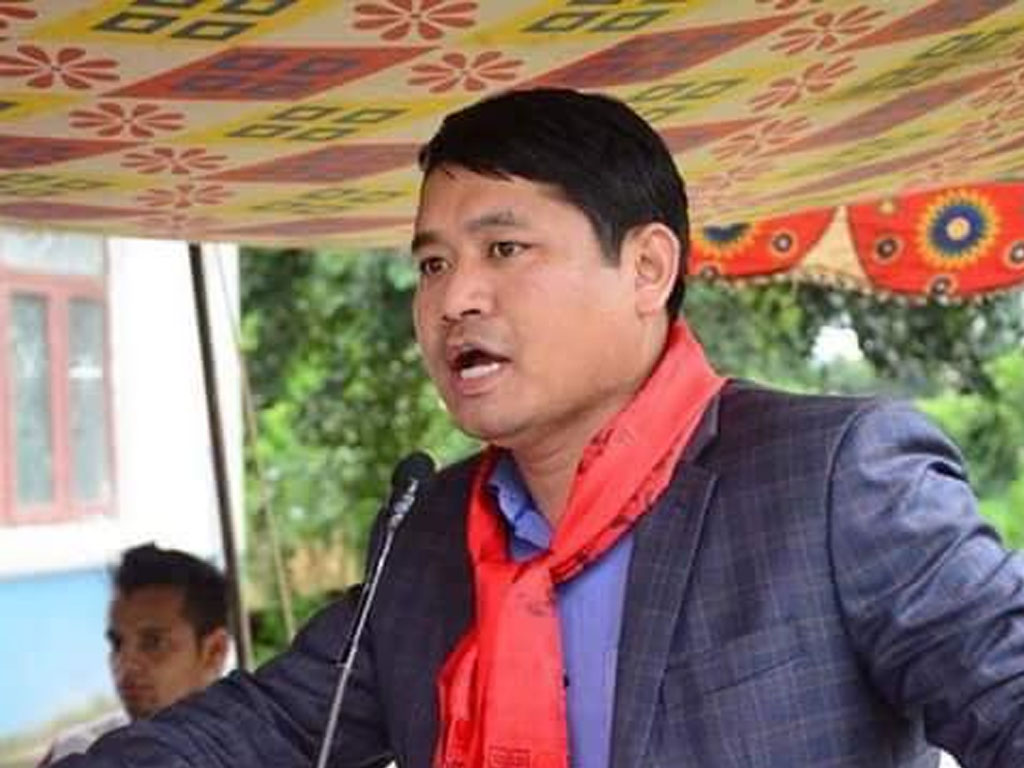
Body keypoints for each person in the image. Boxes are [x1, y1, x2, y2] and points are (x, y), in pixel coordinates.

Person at [56, 88, 1024, 768]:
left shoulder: (831, 476)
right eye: (432, 264)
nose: (453, 299)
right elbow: (264, 727)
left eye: (504, 248)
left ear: (647, 269)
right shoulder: (430, 536)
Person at [41, 544, 229, 764]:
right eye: (117, 643)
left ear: (214, 650)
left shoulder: (256, 746)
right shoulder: (80, 751)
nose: (125, 665)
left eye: (153, 642)